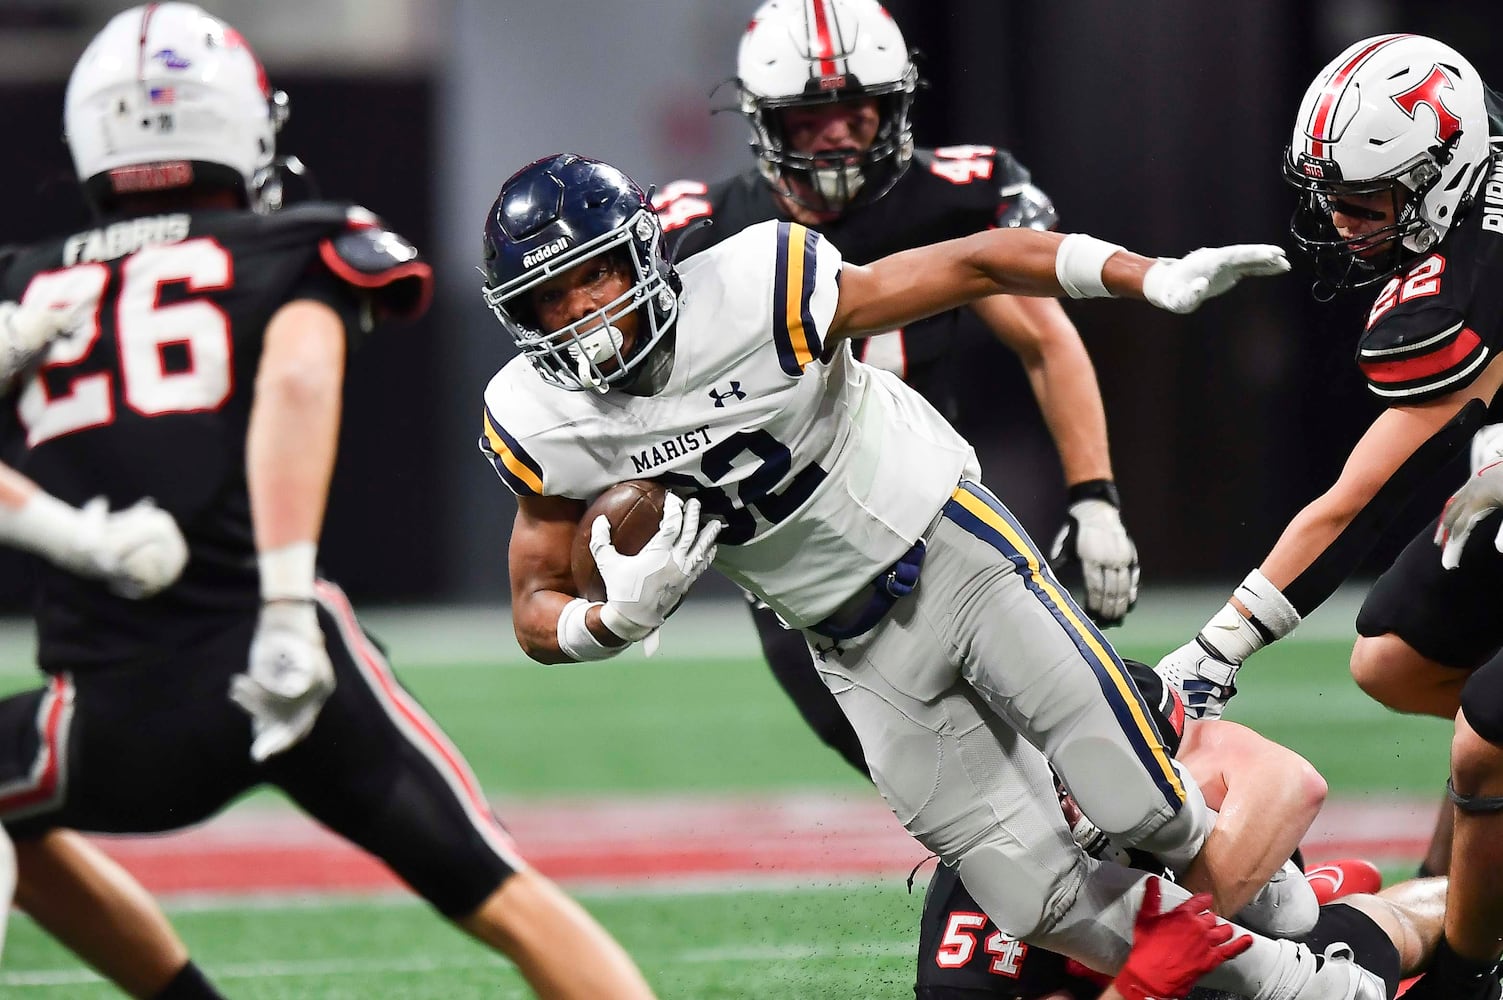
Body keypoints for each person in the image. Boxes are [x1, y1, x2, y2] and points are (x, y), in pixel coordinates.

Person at [477, 149, 1391, 999]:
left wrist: (1143, 274)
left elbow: (977, 264)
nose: (582, 316)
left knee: (1136, 800)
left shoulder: (755, 285)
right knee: (1033, 899)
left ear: (642, 252)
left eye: (591, 275)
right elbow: (532, 602)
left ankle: (1299, 916)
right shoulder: (542, 416)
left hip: (950, 551)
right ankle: (1301, 983)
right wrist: (608, 624)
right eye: (548, 299)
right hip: (849, 649)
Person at [0, 6, 656, 999]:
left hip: (106, 710)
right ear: (236, 123)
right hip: (288, 665)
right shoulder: (296, 242)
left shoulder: (26, 286)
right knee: (503, 897)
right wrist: (279, 607)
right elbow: (301, 381)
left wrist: (70, 530)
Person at [653, 0, 1138, 774]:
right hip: (795, 565)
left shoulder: (952, 196)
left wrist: (1094, 496)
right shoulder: (703, 229)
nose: (838, 133)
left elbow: (1045, 339)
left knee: (1088, 725)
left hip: (934, 515)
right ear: (764, 123)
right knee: (932, 774)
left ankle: (1238, 860)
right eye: (810, 117)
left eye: (857, 109)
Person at [1153, 32, 1503, 1000]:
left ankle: (1475, 970)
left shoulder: (1472, 284)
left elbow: (1355, 502)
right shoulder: (1475, 223)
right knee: (1394, 656)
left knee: (1486, 731)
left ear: (1439, 176)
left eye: (1362, 201)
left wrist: (1219, 645)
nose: (1343, 224)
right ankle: (1471, 878)